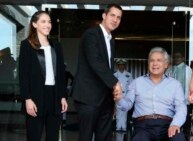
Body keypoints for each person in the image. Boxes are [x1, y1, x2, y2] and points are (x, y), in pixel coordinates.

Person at [71, 4, 123, 141]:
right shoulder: (91, 34)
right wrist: (115, 83)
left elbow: (107, 68)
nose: (115, 20)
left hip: (105, 100)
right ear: (104, 16)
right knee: (86, 137)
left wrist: (112, 99)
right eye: (112, 15)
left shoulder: (111, 41)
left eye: (119, 17)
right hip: (88, 98)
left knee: (105, 137)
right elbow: (95, 62)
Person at [116, 47, 187, 141]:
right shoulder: (137, 82)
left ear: (166, 64)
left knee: (179, 138)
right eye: (152, 60)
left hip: (168, 125)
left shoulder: (175, 85)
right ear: (148, 63)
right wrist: (119, 98)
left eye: (159, 60)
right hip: (143, 126)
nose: (155, 64)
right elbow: (126, 105)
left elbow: (181, 108)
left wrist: (175, 124)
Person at [18, 11, 68, 141]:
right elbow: (23, 75)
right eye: (43, 21)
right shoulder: (26, 45)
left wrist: (63, 96)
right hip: (35, 97)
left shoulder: (56, 46)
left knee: (53, 137)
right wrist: (27, 99)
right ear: (34, 24)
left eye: (49, 21)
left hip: (55, 96)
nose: (48, 25)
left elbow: (61, 74)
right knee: (34, 136)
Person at [172, 51, 192, 139]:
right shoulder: (171, 69)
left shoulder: (187, 69)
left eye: (178, 57)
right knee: (175, 125)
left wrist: (188, 99)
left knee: (185, 124)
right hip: (171, 103)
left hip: (184, 102)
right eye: (175, 57)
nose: (176, 59)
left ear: (183, 58)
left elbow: (190, 85)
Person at [114, 59, 133, 132]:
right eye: (119, 65)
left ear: (124, 66)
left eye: (122, 65)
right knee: (118, 112)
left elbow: (131, 86)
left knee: (125, 112)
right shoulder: (115, 75)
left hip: (126, 95)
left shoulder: (129, 75)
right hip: (117, 95)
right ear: (118, 66)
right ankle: (118, 127)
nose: (121, 66)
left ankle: (124, 128)